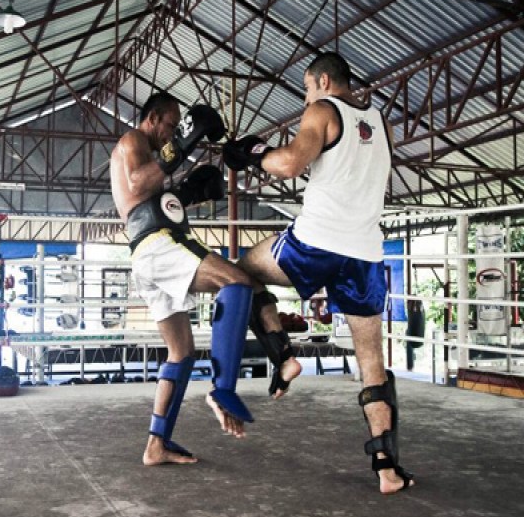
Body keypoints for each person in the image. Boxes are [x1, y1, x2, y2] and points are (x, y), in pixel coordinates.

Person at [224, 52, 414, 494]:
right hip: (364, 253)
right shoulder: (383, 123)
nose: (307, 96)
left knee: (239, 273)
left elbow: (290, 163)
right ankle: (387, 470)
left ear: (323, 81)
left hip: (314, 243)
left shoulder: (323, 109)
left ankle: (284, 358)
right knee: (373, 365)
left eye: (308, 87)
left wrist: (254, 153)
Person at [110, 91, 255, 466]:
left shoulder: (146, 151)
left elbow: (152, 195)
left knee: (182, 352)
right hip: (158, 244)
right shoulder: (133, 140)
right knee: (236, 282)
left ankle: (156, 444)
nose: (173, 133)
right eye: (172, 126)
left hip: (147, 251)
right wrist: (182, 143)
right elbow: (140, 185)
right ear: (154, 117)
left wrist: (188, 191)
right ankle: (223, 390)